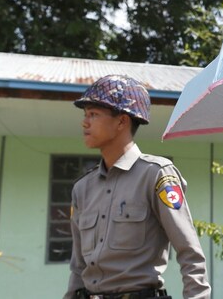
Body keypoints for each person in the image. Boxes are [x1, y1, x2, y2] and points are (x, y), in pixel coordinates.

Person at [64, 75, 211, 299]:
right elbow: (78, 266)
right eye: (85, 115)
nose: (85, 122)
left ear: (122, 121)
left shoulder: (156, 175)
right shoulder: (82, 188)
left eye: (93, 114)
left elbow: (190, 253)